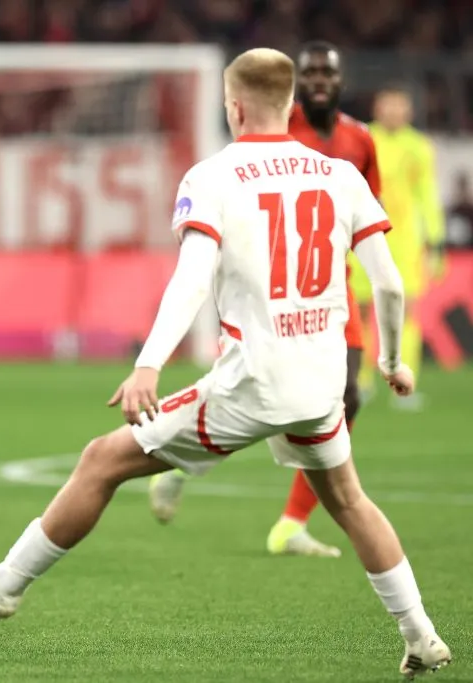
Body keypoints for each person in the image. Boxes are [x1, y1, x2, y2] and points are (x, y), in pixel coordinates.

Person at [0, 48, 451, 679]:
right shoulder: (339, 173)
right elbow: (389, 284)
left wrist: (148, 364)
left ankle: (9, 583)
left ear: (232, 106)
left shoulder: (214, 176)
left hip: (251, 382)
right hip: (321, 380)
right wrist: (392, 358)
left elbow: (192, 280)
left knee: (101, 459)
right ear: (288, 104)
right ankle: (420, 634)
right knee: (348, 500)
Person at [148, 41, 378, 559]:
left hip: (329, 289)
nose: (320, 79)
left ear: (340, 81)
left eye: (328, 71)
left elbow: (369, 212)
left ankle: (290, 524)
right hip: (266, 293)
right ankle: (179, 461)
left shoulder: (359, 141)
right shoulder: (273, 128)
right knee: (256, 393)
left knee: (349, 397)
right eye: (311, 70)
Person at [354, 86, 445, 410]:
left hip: (406, 244)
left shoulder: (419, 147)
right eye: (388, 105)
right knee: (361, 310)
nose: (393, 111)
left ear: (409, 111)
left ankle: (404, 382)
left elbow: (427, 196)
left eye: (399, 106)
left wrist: (435, 241)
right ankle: (360, 381)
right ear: (377, 108)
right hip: (364, 238)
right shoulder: (362, 139)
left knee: (408, 311)